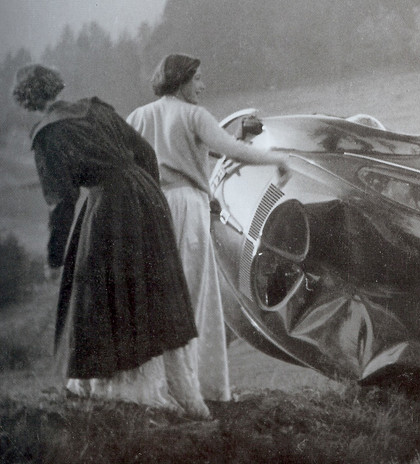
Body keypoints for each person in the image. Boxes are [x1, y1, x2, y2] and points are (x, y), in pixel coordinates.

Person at [11, 63, 209, 419]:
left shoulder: (47, 134)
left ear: (26, 100)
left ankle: (126, 393)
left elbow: (62, 203)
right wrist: (150, 200)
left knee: (100, 294)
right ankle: (172, 390)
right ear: (56, 85)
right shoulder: (96, 108)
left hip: (109, 206)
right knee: (149, 291)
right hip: (146, 196)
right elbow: (146, 153)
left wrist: (54, 259)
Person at [126, 53, 291, 402]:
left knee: (157, 295)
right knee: (194, 293)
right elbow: (229, 149)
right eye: (197, 78)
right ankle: (199, 388)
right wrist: (277, 158)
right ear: (182, 80)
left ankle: (159, 386)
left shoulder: (139, 116)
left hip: (149, 208)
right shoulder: (194, 115)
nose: (202, 85)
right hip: (186, 205)